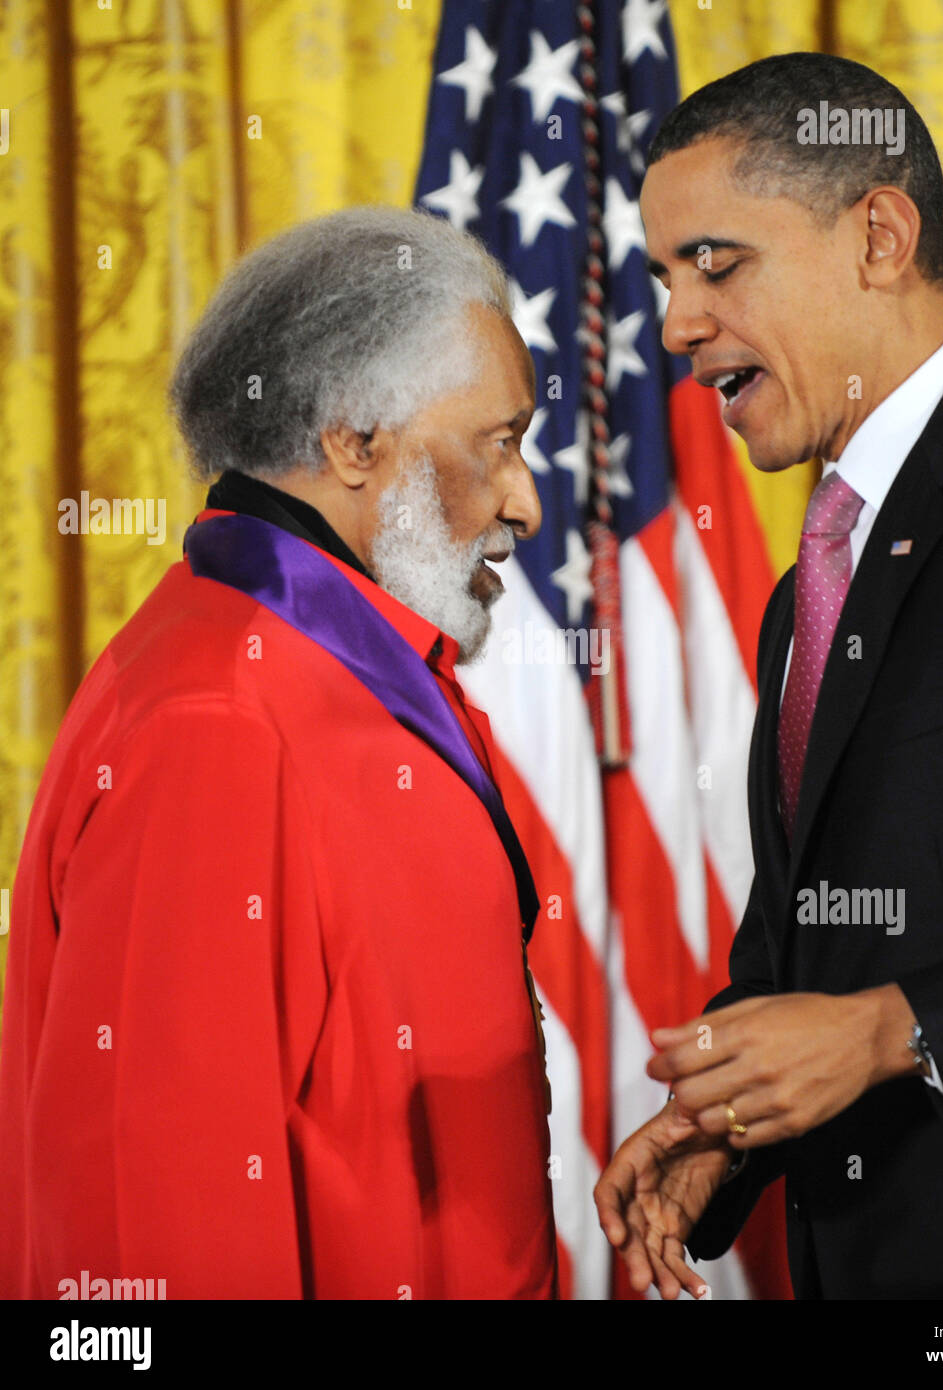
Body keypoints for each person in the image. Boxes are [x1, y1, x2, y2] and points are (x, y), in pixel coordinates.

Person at [596, 52, 943, 1300]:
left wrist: (896, 1029)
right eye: (664, 278)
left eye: (715, 263)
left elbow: (877, 1011)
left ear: (880, 235)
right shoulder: (806, 588)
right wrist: (726, 1127)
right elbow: (811, 953)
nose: (673, 325)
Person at [0, 205, 558, 1299]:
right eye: (500, 441)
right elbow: (153, 1220)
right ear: (354, 441)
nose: (525, 501)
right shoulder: (213, 725)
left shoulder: (337, 674)